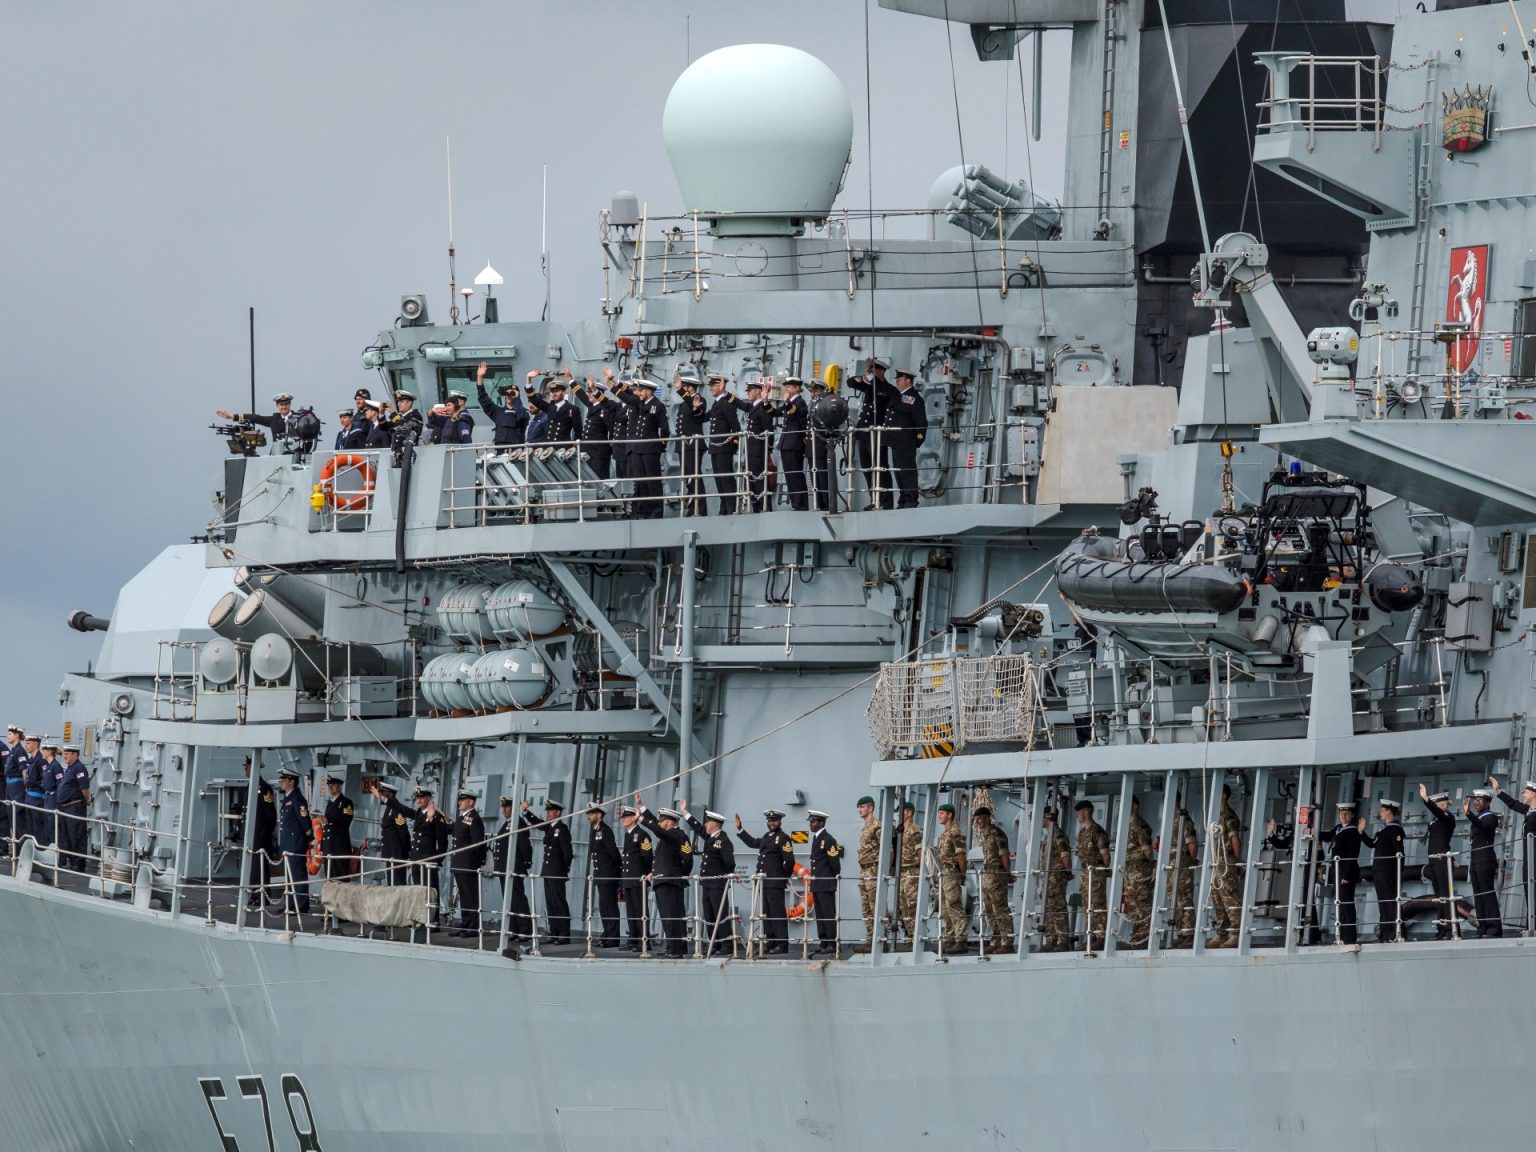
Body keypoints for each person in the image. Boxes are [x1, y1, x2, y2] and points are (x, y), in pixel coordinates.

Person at [380, 785, 450, 925]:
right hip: (416, 859)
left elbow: (443, 841)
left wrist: (437, 860)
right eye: (417, 798)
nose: (418, 800)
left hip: (428, 859)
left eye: (421, 798)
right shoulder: (419, 813)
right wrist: (385, 799)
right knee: (419, 891)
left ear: (428, 798)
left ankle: (433, 921)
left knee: (430, 891)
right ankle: (422, 919)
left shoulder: (437, 816)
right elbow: (403, 809)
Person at [638, 798, 694, 957]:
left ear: (669, 822)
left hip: (670, 881)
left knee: (672, 916)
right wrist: (642, 806)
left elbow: (688, 859)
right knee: (667, 916)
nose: (660, 823)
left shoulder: (677, 835)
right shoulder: (668, 836)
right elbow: (658, 830)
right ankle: (674, 946)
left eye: (662, 820)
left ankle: (675, 949)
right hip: (663, 879)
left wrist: (680, 875)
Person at [737, 807, 795, 955]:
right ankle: (771, 941)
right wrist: (740, 830)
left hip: (775, 882)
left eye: (774, 820)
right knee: (767, 913)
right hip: (764, 883)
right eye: (770, 821)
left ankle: (782, 944)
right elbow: (752, 842)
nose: (772, 823)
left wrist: (783, 877)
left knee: (777, 913)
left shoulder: (783, 838)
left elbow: (789, 861)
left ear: (780, 822)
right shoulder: (766, 836)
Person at [682, 802, 736, 955]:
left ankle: (726, 944)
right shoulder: (710, 837)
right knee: (709, 915)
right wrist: (685, 812)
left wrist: (725, 877)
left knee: (720, 914)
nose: (705, 824)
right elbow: (697, 827)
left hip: (718, 884)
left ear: (715, 824)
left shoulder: (723, 841)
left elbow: (730, 863)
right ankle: (715, 943)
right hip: (707, 883)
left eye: (708, 822)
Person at [846, 357, 894, 509]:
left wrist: (870, 377)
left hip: (877, 435)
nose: (869, 373)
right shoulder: (869, 385)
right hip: (864, 433)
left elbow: (879, 387)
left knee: (880, 467)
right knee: (868, 469)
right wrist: (863, 377)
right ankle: (874, 500)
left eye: (872, 370)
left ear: (881, 372)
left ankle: (885, 502)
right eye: (869, 370)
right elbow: (850, 382)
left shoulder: (887, 389)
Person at [616, 378, 668, 519]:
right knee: (640, 481)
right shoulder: (639, 404)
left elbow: (664, 429)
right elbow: (627, 398)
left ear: (649, 391)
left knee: (652, 481)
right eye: (638, 390)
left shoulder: (657, 406)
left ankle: (656, 510)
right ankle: (642, 510)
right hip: (637, 448)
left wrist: (661, 445)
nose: (638, 393)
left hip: (650, 449)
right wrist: (613, 383)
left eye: (641, 390)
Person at [1490, 775, 1536, 933]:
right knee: (1529, 891)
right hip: (1528, 860)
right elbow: (1514, 804)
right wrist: (1498, 791)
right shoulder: (1529, 811)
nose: (1523, 794)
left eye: (1526, 792)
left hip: (1535, 860)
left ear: (1533, 794)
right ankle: (1532, 925)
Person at [491, 796, 535, 941]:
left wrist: (525, 863)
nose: (504, 809)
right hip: (504, 868)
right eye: (503, 807)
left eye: (507, 806)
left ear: (514, 808)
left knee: (518, 899)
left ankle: (525, 930)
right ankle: (514, 929)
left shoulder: (518, 823)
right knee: (508, 900)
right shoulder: (508, 823)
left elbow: (524, 846)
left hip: (513, 868)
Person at [1320, 800, 1364, 944]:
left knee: (1347, 904)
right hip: (1337, 871)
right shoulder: (1339, 828)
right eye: (1341, 813)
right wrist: (1314, 832)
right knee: (1341, 904)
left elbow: (1353, 854)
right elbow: (1328, 836)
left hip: (1346, 873)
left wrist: (1346, 876)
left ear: (1352, 815)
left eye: (1346, 813)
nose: (1343, 816)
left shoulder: (1353, 831)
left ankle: (1349, 937)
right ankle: (1343, 935)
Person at [971, 803, 1013, 952]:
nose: (977, 822)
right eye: (976, 819)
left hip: (997, 874)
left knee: (1000, 909)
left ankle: (1007, 942)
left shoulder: (997, 834)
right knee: (989, 909)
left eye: (980, 818)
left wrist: (1007, 873)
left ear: (988, 818)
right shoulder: (985, 835)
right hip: (987, 874)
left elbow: (1004, 855)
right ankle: (996, 940)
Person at [1418, 784, 1458, 939]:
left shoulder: (1447, 817)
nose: (1434, 807)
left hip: (1442, 860)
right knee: (1440, 896)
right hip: (1434, 860)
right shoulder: (1436, 820)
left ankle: (1451, 928)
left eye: (1435, 804)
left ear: (1442, 804)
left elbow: (1444, 841)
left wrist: (1425, 799)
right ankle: (1442, 928)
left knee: (1446, 895)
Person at [1363, 799, 1405, 942]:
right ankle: (1385, 933)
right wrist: (1361, 833)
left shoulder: (1395, 829)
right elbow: (1372, 844)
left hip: (1388, 870)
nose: (1380, 813)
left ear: (1389, 812)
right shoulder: (1383, 829)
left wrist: (1399, 871)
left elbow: (1399, 851)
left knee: (1390, 901)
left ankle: (1396, 932)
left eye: (1382, 810)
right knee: (1383, 902)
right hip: (1379, 870)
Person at [886, 368, 928, 509]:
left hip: (906, 441)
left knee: (907, 470)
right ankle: (903, 498)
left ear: (908, 380)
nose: (897, 381)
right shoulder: (899, 396)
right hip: (896, 441)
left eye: (900, 379)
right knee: (899, 471)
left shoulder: (912, 398)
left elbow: (920, 422)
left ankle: (911, 499)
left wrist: (917, 440)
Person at [1208, 785, 1244, 948]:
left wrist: (1236, 863)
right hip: (1218, 862)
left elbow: (1235, 842)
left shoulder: (1229, 817)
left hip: (1226, 861)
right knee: (1217, 897)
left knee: (1230, 897)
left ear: (1223, 795)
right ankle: (1221, 933)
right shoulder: (1218, 817)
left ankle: (1237, 933)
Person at [1464, 788, 1502, 937]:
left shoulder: (1490, 817)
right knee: (1478, 895)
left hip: (1485, 860)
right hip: (1475, 860)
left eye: (1480, 801)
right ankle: (1483, 926)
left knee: (1487, 894)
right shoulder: (1479, 817)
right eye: (1475, 801)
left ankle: (1494, 927)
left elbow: (1484, 827)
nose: (1476, 803)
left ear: (1487, 802)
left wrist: (1469, 814)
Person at [536, 799, 574, 944]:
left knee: (559, 903)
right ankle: (554, 932)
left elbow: (567, 853)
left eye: (551, 811)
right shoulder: (550, 827)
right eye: (547, 811)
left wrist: (563, 870)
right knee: (550, 903)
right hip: (547, 871)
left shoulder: (562, 829)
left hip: (557, 872)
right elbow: (536, 823)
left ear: (558, 813)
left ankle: (563, 933)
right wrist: (526, 812)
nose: (548, 813)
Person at [449, 790, 487, 937]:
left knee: (471, 896)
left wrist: (476, 862)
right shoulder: (461, 819)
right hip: (459, 863)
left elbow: (478, 844)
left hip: (468, 864)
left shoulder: (474, 819)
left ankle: (473, 926)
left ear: (470, 802)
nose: (459, 802)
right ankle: (466, 923)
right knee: (464, 896)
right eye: (460, 800)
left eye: (462, 800)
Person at [705, 374, 744, 514]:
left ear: (721, 386)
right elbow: (703, 417)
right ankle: (724, 506)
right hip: (715, 447)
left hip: (724, 447)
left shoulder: (726, 404)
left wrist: (734, 444)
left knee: (726, 477)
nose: (711, 388)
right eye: (710, 385)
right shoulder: (716, 403)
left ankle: (732, 506)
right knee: (719, 479)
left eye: (713, 385)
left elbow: (735, 426)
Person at [276, 768, 313, 915]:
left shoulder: (297, 799)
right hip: (288, 843)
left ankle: (301, 905)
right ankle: (291, 905)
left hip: (296, 843)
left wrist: (310, 838)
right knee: (290, 877)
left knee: (298, 876)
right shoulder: (288, 798)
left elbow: (305, 820)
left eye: (284, 780)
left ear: (292, 782)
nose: (281, 782)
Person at [1074, 799, 1110, 951]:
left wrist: (1103, 871)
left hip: (1096, 873)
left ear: (1086, 812)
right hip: (1085, 873)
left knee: (1097, 904)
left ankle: (1101, 937)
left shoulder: (1097, 831)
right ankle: (1093, 936)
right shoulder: (1082, 833)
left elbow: (1105, 855)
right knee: (1087, 905)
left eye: (1079, 813)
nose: (1077, 816)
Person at [586, 802, 622, 947]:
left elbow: (613, 852)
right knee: (604, 907)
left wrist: (616, 871)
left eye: (592, 813)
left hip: (608, 874)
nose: (589, 816)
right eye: (589, 814)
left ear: (599, 815)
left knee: (610, 907)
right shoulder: (595, 830)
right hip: (600, 875)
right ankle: (606, 934)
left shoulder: (605, 831)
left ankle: (613, 938)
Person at [673, 370, 709, 515]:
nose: (682, 390)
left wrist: (680, 391)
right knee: (688, 478)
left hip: (693, 445)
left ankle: (700, 509)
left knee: (694, 477)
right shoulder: (685, 403)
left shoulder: (699, 400)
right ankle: (692, 507)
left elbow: (697, 413)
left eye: (684, 387)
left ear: (690, 387)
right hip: (684, 445)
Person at [619, 804, 653, 951]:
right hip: (628, 878)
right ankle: (633, 939)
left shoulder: (642, 834)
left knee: (640, 911)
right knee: (631, 911)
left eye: (626, 817)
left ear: (634, 818)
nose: (623, 819)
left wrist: (644, 874)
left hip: (638, 878)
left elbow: (647, 856)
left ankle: (644, 941)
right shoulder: (628, 834)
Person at [807, 810, 842, 954]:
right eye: (810, 822)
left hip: (826, 883)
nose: (810, 824)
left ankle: (832, 943)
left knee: (828, 915)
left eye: (813, 822)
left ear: (821, 823)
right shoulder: (816, 838)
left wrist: (831, 879)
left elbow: (835, 864)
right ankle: (824, 942)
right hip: (817, 884)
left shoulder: (828, 839)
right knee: (820, 916)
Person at [571, 374, 619, 479]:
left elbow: (612, 428)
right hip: (587, 449)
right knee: (586, 477)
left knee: (599, 477)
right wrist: (570, 380)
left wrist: (611, 442)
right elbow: (581, 395)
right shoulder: (592, 406)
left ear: (599, 393)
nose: (588, 394)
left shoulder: (605, 409)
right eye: (588, 392)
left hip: (598, 451)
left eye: (591, 392)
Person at [1123, 795, 1156, 948]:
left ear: (1135, 806)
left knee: (1143, 905)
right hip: (1130, 873)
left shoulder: (1140, 826)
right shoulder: (1127, 826)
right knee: (1133, 906)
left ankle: (1144, 939)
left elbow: (1147, 851)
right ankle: (1137, 938)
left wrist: (1150, 863)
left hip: (1140, 871)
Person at [807, 378, 845, 512]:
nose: (813, 393)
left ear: (823, 391)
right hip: (811, 444)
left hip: (821, 442)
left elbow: (833, 421)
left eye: (816, 391)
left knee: (823, 475)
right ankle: (819, 503)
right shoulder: (812, 404)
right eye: (812, 391)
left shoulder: (827, 404)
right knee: (814, 475)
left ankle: (828, 503)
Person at [935, 803, 968, 952]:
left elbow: (961, 857)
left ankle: (961, 940)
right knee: (945, 908)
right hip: (944, 873)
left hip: (952, 873)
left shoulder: (955, 832)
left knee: (954, 905)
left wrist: (962, 875)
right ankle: (949, 938)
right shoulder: (944, 834)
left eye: (942, 813)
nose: (939, 816)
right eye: (939, 813)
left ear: (950, 815)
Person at [774, 376, 810, 511]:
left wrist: (787, 403)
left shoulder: (800, 402)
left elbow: (797, 412)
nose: (786, 389)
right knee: (789, 475)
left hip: (795, 443)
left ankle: (801, 504)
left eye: (789, 387)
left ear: (796, 388)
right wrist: (765, 402)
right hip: (786, 443)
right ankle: (796, 503)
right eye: (786, 387)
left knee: (795, 474)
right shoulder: (790, 403)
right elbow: (775, 412)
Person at [53, 744, 91, 871]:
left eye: (67, 754)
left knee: (76, 835)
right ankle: (71, 860)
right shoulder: (70, 768)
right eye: (64, 754)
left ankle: (79, 863)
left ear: (75, 754)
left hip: (75, 807)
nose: (64, 756)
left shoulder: (79, 768)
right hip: (65, 807)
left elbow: (84, 788)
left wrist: (87, 800)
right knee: (67, 836)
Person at [1167, 800, 1199, 948]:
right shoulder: (1170, 819)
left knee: (1184, 898)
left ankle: (1189, 934)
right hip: (1172, 866)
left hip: (1182, 865)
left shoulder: (1183, 819)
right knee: (1174, 900)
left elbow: (1192, 844)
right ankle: (1181, 934)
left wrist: (1190, 861)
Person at [476, 362, 529, 446]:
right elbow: (483, 398)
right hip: (500, 450)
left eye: (511, 394)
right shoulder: (498, 412)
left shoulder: (524, 412)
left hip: (516, 450)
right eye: (506, 394)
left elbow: (522, 417)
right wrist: (480, 377)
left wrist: (516, 399)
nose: (508, 396)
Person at [742, 379, 775, 512]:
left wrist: (768, 448)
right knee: (751, 480)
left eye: (750, 391)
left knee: (760, 479)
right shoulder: (754, 407)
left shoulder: (763, 408)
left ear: (758, 391)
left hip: (759, 450)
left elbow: (768, 429)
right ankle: (755, 507)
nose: (748, 393)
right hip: (751, 450)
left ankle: (765, 507)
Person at [216, 392, 304, 442]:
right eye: (281, 404)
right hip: (278, 455)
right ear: (277, 406)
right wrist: (232, 416)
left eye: (286, 404)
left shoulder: (299, 418)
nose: (284, 407)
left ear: (290, 404)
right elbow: (255, 418)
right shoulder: (274, 419)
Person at [371, 780, 411, 886]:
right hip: (391, 854)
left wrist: (406, 855)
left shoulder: (396, 810)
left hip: (397, 854)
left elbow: (403, 833)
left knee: (398, 884)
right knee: (391, 884)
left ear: (390, 794)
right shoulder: (389, 808)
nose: (379, 795)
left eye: (382, 793)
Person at [526, 369, 582, 443]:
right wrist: (528, 378)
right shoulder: (549, 408)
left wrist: (574, 445)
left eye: (557, 391)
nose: (554, 394)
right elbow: (532, 398)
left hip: (563, 447)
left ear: (564, 393)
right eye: (552, 392)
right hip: (549, 447)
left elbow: (578, 431)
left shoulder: (572, 409)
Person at [855, 796, 881, 946]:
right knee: (866, 907)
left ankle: (880, 938)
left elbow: (887, 849)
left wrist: (881, 870)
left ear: (870, 808)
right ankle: (871, 939)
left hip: (873, 870)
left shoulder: (877, 826)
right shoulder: (866, 827)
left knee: (875, 905)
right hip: (864, 870)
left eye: (862, 807)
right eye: (859, 807)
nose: (859, 810)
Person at [895, 800, 922, 942]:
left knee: (912, 906)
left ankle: (915, 937)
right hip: (902, 872)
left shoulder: (914, 830)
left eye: (902, 811)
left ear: (909, 813)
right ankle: (909, 936)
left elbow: (920, 852)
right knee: (903, 906)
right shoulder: (901, 830)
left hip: (911, 872)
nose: (898, 814)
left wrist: (919, 870)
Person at [320, 774, 354, 880]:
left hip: (339, 846)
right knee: (330, 878)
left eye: (333, 785)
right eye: (329, 785)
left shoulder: (346, 803)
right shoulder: (330, 803)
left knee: (341, 878)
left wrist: (329, 820)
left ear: (339, 786)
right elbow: (326, 829)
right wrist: (322, 848)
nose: (330, 787)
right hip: (329, 847)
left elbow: (346, 821)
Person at [36, 739, 61, 848]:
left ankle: (55, 848)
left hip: (52, 798)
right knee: (47, 825)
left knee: (52, 825)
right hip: (47, 798)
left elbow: (60, 784)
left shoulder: (56, 766)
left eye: (44, 750)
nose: (42, 752)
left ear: (50, 752)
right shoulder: (48, 766)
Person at [20, 735, 45, 845]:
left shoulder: (41, 760)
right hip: (29, 796)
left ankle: (40, 849)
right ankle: (32, 849)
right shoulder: (31, 760)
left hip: (37, 797)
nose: (26, 746)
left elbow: (45, 779)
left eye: (28, 743)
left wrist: (32, 782)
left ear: (35, 745)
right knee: (30, 827)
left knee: (38, 827)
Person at [2, 724, 24, 847]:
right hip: (10, 786)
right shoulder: (13, 751)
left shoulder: (19, 751)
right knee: (12, 818)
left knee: (17, 818)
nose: (7, 736)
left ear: (17, 735)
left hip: (16, 787)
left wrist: (25, 786)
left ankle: (20, 849)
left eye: (10, 734)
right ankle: (16, 849)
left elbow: (24, 770)